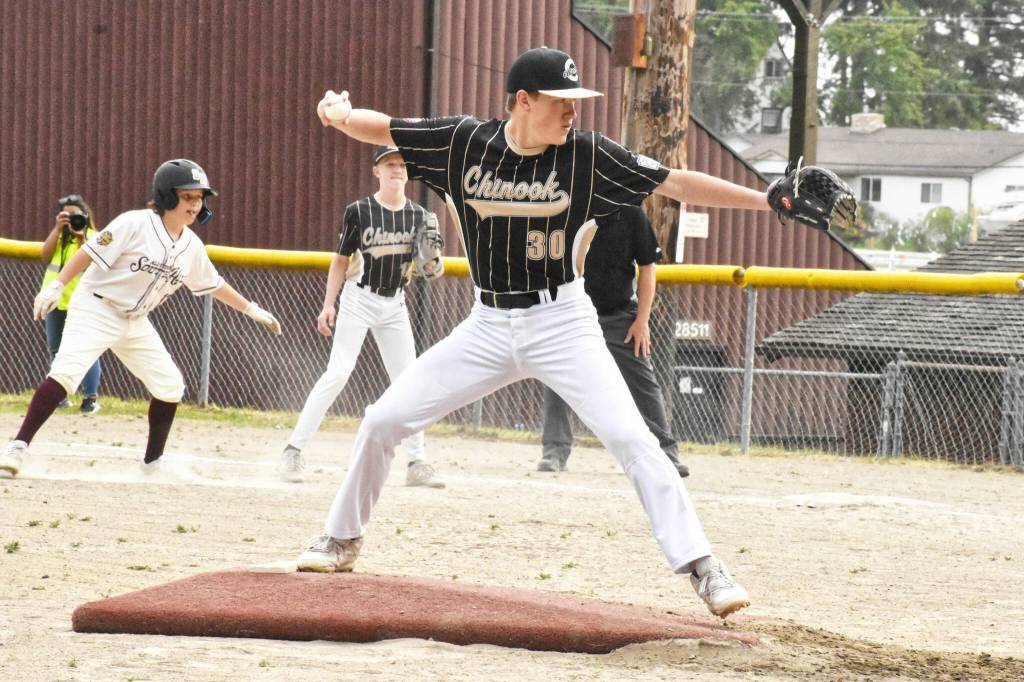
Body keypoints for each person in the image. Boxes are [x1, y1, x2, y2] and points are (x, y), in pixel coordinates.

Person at [296, 47, 773, 619]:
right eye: (560, 101)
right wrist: (340, 116)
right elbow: (389, 127)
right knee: (382, 420)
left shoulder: (587, 156)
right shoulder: (462, 143)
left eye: (577, 102)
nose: (573, 112)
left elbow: (676, 182)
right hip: (488, 323)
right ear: (523, 100)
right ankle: (342, 537)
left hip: (563, 321)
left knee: (633, 439)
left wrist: (768, 199)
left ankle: (703, 566)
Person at [0, 159, 282, 479]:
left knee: (170, 386)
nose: (195, 204)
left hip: (135, 321)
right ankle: (17, 447)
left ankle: (151, 465)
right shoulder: (134, 223)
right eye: (187, 196)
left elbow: (213, 284)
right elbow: (90, 251)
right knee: (66, 374)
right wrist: (57, 285)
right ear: (166, 196)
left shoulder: (191, 246)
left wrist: (251, 309)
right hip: (97, 308)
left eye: (200, 198)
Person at [278, 145, 445, 489]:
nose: (396, 169)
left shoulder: (418, 216)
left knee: (409, 379)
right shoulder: (360, 211)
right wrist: (329, 304)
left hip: (395, 303)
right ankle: (293, 449)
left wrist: (432, 264)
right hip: (359, 298)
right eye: (389, 165)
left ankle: (416, 462)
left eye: (400, 164)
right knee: (338, 372)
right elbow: (340, 260)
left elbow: (430, 267)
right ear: (377, 172)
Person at [538, 204, 689, 478]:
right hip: (571, 313)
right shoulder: (569, 207)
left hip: (619, 315)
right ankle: (554, 451)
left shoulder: (630, 213)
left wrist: (642, 320)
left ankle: (666, 453)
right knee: (556, 379)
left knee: (643, 384)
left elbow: (648, 268)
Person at [39, 195, 103, 413]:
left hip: (83, 303)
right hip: (56, 302)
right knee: (56, 350)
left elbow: (95, 262)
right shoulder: (59, 237)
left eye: (76, 215)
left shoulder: (94, 237)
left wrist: (81, 236)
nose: (72, 219)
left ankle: (90, 398)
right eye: (67, 215)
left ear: (85, 215)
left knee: (87, 350)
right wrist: (57, 229)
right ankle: (60, 397)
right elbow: (45, 257)